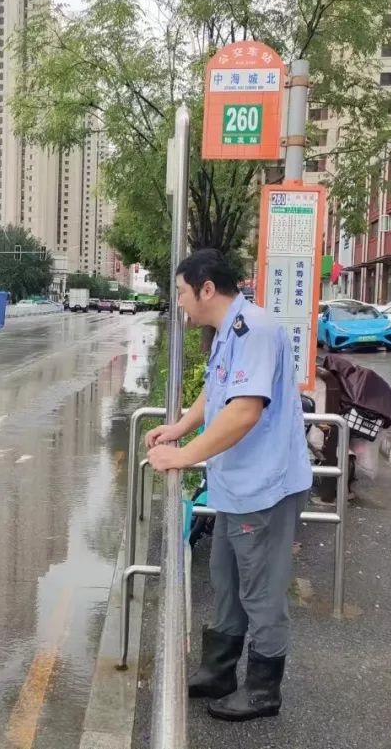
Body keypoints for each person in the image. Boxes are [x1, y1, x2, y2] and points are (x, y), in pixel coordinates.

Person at [146, 248, 312, 723]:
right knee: (226, 580)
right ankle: (219, 672)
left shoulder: (253, 329)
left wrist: (182, 456)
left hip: (264, 489)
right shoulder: (229, 330)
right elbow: (217, 390)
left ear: (206, 289)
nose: (180, 302)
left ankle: (262, 691)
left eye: (182, 292)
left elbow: (244, 411)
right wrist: (181, 427)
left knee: (260, 591)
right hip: (237, 486)